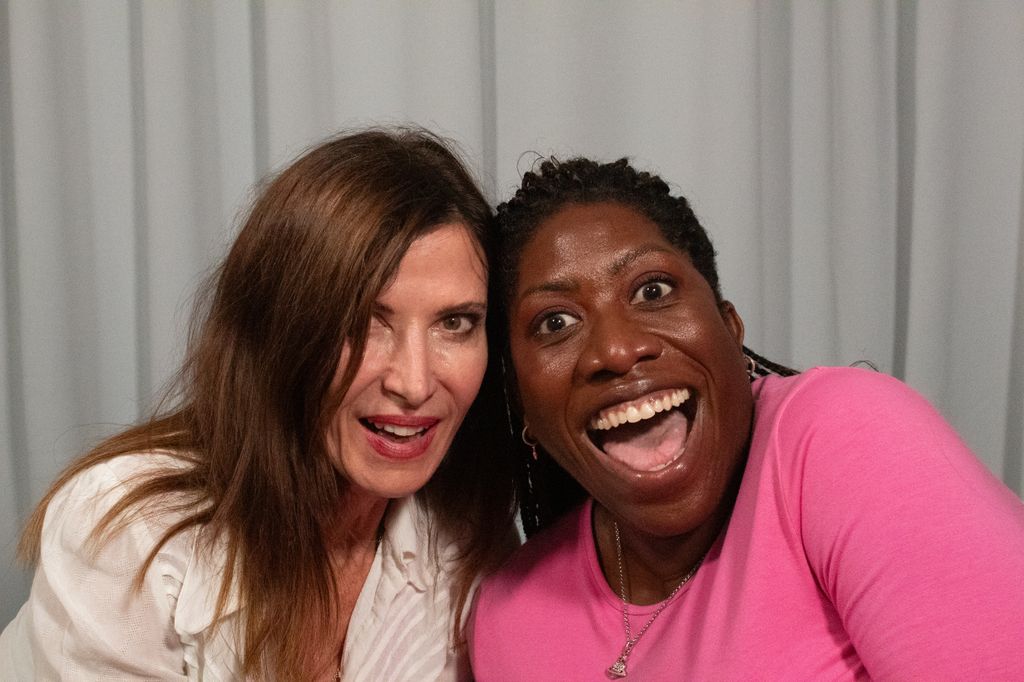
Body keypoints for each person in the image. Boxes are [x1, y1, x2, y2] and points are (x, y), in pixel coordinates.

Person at [469, 156, 1024, 680]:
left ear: (730, 327)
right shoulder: (508, 618)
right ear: (521, 405)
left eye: (652, 290)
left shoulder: (842, 437)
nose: (615, 350)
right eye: (555, 322)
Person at [0, 128, 518, 680]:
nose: (414, 383)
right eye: (364, 321)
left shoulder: (469, 538)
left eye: (456, 323)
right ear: (277, 331)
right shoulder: (132, 532)